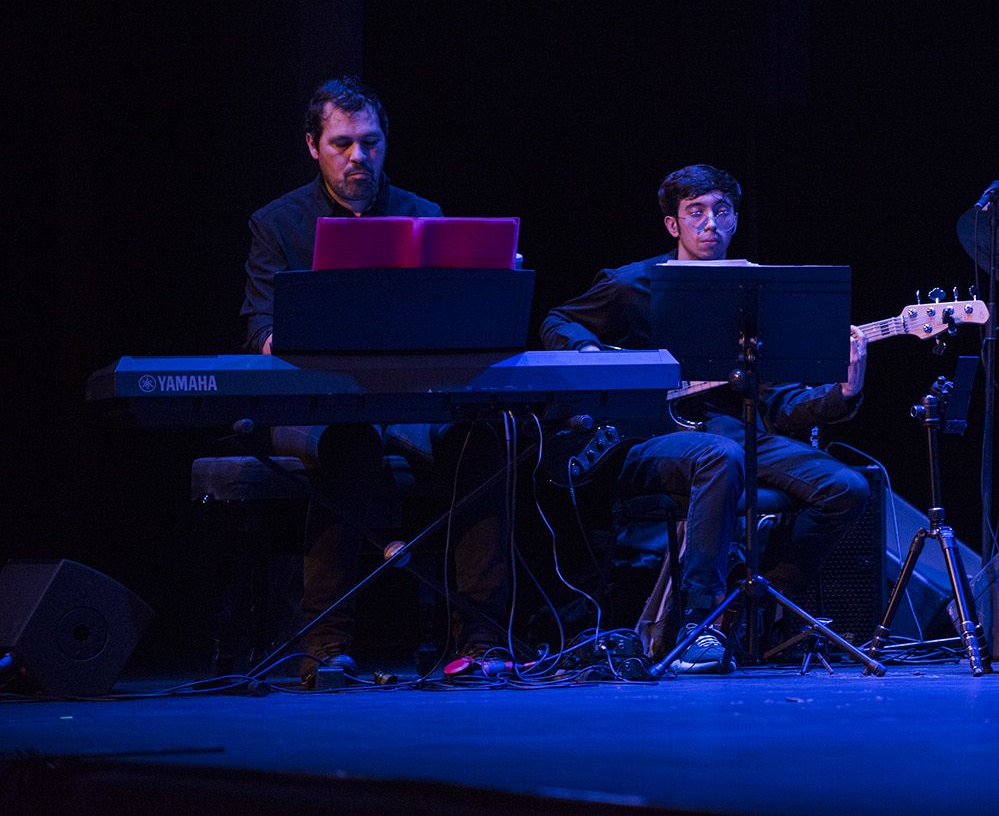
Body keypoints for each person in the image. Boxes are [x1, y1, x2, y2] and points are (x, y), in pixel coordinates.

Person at [541, 164, 869, 673]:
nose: (710, 223)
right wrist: (591, 350)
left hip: (734, 433)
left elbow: (781, 403)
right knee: (720, 456)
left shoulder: (753, 296)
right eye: (695, 212)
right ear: (673, 225)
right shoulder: (634, 286)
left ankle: (758, 606)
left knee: (846, 486)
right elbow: (557, 320)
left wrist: (844, 390)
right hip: (645, 440)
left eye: (721, 210)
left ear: (735, 219)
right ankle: (701, 626)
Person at [240, 76, 510, 684]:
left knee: (484, 441)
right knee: (349, 443)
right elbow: (259, 327)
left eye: (370, 142)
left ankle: (479, 642)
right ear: (314, 146)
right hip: (312, 409)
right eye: (342, 143)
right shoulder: (277, 223)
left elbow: (452, 322)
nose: (358, 156)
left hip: (408, 407)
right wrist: (301, 339)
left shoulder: (424, 216)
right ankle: (325, 648)